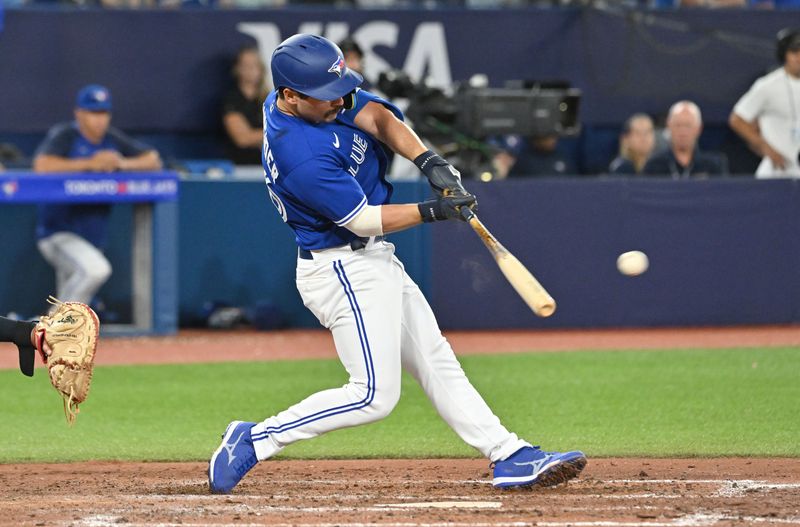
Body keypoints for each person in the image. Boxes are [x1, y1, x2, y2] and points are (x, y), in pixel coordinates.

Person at [208, 34, 586, 494]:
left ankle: (508, 454)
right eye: (327, 97)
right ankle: (255, 437)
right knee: (372, 395)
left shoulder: (308, 94)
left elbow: (377, 116)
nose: (340, 101)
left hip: (372, 263)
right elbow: (363, 220)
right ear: (290, 96)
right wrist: (433, 210)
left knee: (435, 358)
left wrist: (429, 160)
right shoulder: (298, 154)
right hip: (341, 268)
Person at [33, 84, 162, 307]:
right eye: (93, 113)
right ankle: (50, 327)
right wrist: (90, 164)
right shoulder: (66, 135)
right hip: (58, 233)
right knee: (96, 270)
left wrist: (121, 163)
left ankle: (56, 335)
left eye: (103, 113)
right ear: (79, 114)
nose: (100, 119)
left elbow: (153, 159)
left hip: (92, 237)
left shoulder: (111, 140)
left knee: (78, 287)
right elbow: (42, 165)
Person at [729, 28, 800, 178]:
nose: (799, 57)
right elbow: (737, 119)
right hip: (777, 171)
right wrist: (765, 148)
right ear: (784, 55)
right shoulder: (768, 85)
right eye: (794, 52)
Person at [642, 100, 727, 178]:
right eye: (678, 125)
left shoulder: (713, 165)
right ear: (669, 126)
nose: (682, 132)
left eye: (688, 126)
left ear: (699, 129)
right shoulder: (654, 165)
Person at [222, 45, 270, 166]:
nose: (250, 70)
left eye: (254, 65)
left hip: (270, 167)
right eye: (245, 65)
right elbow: (242, 139)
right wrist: (277, 132)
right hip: (240, 166)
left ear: (261, 69)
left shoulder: (271, 98)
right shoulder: (231, 100)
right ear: (237, 69)